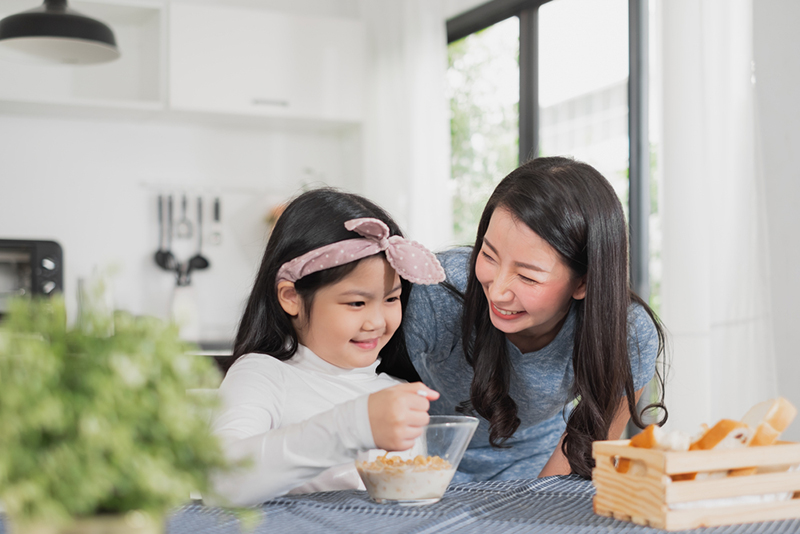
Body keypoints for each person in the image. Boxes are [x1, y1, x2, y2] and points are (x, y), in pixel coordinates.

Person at [404, 156, 667, 481]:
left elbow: (587, 449)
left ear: (584, 281)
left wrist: (534, 505)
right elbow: (361, 391)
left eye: (528, 277)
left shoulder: (627, 333)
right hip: (418, 460)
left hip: (538, 466)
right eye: (487, 255)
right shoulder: (439, 293)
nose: (498, 292)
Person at [210, 188, 445, 506]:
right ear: (291, 297)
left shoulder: (397, 390)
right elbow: (221, 480)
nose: (376, 322)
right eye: (357, 302)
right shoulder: (264, 375)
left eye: (391, 298)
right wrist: (354, 425)